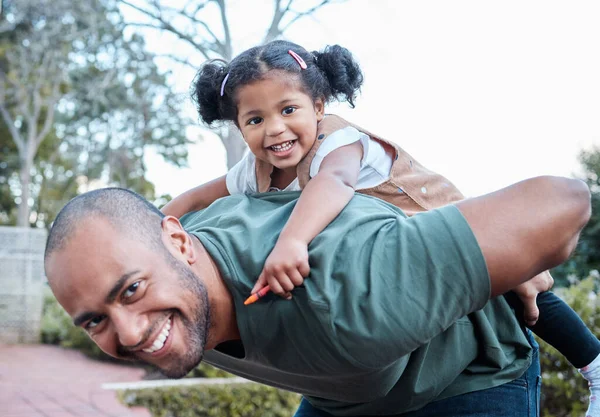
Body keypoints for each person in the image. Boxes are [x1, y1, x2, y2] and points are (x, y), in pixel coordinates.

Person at [162, 39, 600, 416]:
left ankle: (593, 364)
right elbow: (193, 200)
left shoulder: (339, 142)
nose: (274, 129)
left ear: (318, 107)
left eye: (288, 109)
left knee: (525, 288)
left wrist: (291, 241)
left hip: (435, 226)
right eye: (254, 120)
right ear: (239, 126)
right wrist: (148, 229)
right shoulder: (255, 170)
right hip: (384, 272)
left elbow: (333, 184)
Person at [45, 176, 590, 416]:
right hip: (346, 394)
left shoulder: (347, 296)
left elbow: (563, 201)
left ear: (178, 243)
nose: (132, 332)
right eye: (95, 321)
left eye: (133, 290)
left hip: (464, 379)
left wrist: (501, 259)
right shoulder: (171, 262)